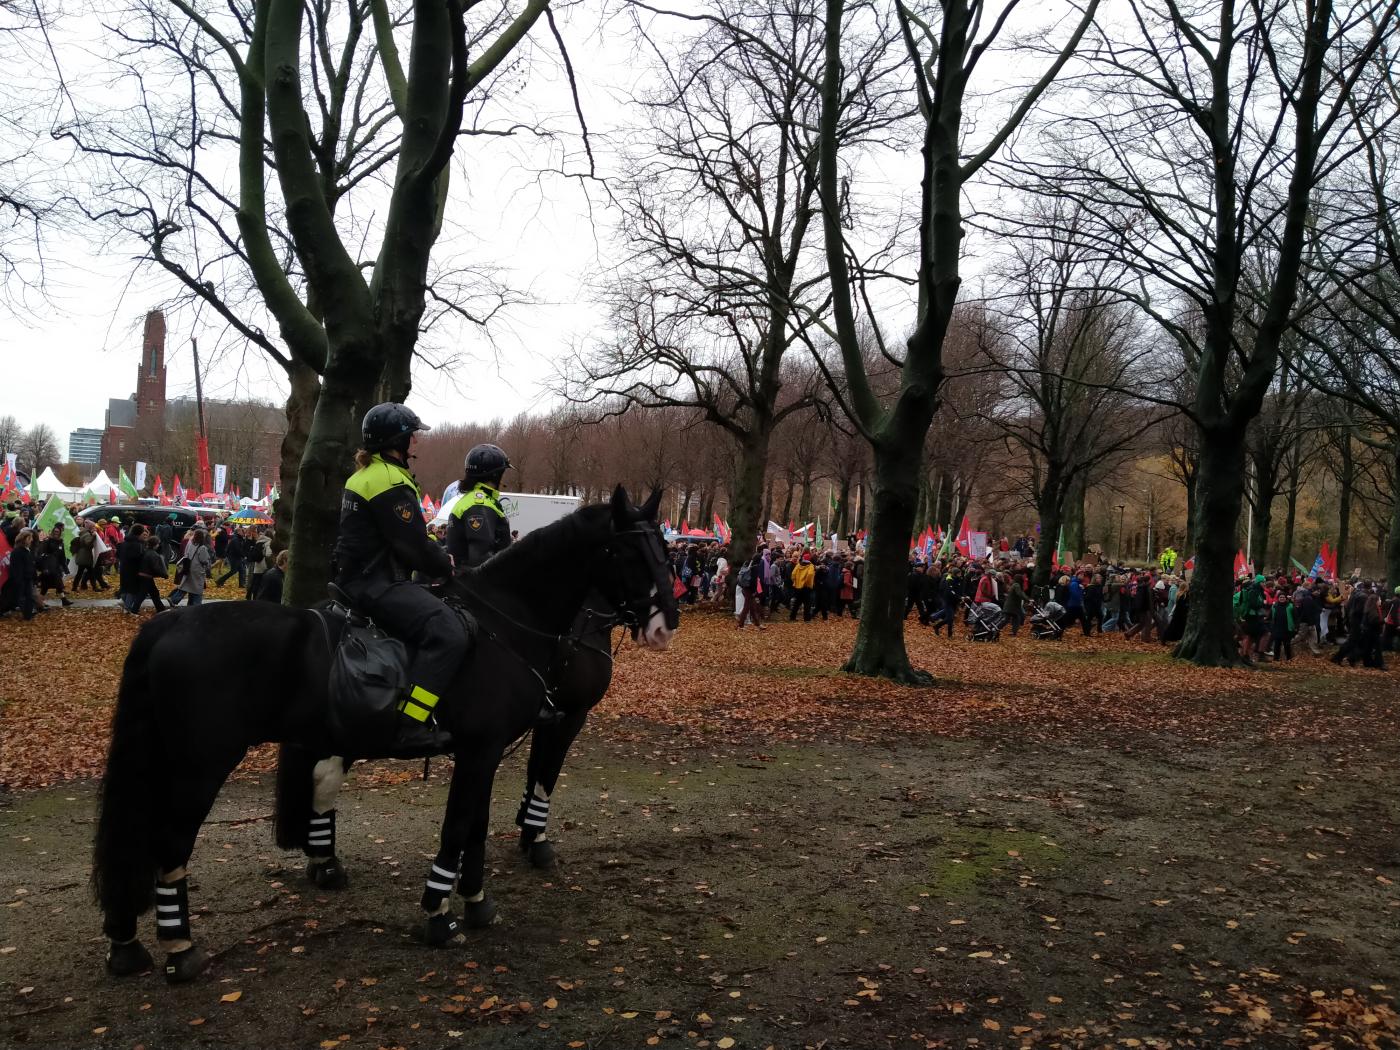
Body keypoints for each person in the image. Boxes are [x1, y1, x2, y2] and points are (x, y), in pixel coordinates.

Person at [333, 403, 473, 756]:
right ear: (396, 440)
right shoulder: (390, 480)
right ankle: (411, 724)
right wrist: (445, 565)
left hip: (354, 579)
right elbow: (412, 546)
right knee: (449, 631)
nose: (416, 441)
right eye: (412, 434)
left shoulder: (363, 475)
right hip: (378, 584)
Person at [447, 443, 513, 569]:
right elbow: (481, 560)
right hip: (474, 586)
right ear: (495, 475)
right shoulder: (479, 505)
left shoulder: (475, 500)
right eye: (502, 473)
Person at [169, 528, 214, 607]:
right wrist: (208, 565)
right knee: (197, 590)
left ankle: (179, 600)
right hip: (197, 570)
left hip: (188, 566)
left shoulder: (190, 543)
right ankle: (196, 606)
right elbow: (204, 560)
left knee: (188, 587)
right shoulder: (202, 547)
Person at [790, 552, 815, 622]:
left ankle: (792, 617)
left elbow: (793, 574)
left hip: (798, 587)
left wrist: (795, 581)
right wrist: (806, 582)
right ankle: (807, 619)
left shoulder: (798, 565)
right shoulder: (811, 566)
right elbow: (810, 575)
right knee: (807, 603)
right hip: (806, 587)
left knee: (797, 603)